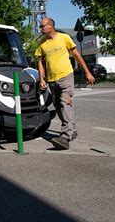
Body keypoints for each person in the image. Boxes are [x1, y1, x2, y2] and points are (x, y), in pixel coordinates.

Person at [34, 17, 95, 150]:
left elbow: (77, 55)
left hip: (66, 76)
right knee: (58, 106)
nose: (40, 28)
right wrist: (42, 79)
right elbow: (40, 62)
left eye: (42, 26)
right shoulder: (42, 44)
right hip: (51, 79)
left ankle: (65, 137)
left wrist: (87, 72)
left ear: (50, 26)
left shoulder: (64, 38)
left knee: (65, 103)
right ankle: (72, 130)